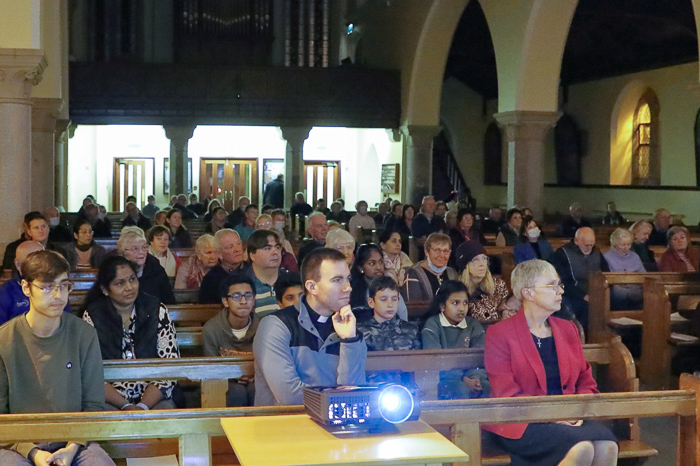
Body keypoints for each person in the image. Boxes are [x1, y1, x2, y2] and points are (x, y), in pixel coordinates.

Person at [484, 259, 618, 466]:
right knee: (582, 448)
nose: (560, 291)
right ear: (528, 293)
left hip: (569, 415)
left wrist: (573, 412)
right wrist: (552, 415)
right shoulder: (499, 333)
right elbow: (506, 393)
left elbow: (587, 382)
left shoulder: (568, 329)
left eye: (560, 285)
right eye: (551, 285)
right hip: (521, 420)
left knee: (608, 446)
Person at [0, 250, 115, 465]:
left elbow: (93, 405)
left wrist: (72, 448)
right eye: (46, 287)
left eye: (63, 286)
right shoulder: (4, 339)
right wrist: (32, 452)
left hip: (76, 441)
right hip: (17, 443)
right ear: (26, 288)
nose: (58, 295)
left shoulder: (84, 334)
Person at [253, 248, 366, 406]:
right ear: (312, 287)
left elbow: (354, 395)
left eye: (348, 279)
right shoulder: (276, 325)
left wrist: (349, 341)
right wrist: (338, 399)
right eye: (337, 280)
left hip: (336, 426)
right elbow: (290, 397)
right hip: (283, 425)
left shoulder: (351, 331)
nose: (348, 287)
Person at [83, 255, 179, 411]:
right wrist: (125, 405)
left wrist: (142, 406)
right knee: (104, 419)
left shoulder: (156, 310)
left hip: (153, 395)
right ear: (105, 290)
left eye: (132, 279)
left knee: (165, 415)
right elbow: (91, 373)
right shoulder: (93, 316)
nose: (129, 287)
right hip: (111, 398)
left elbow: (169, 366)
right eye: (120, 283)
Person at [421, 280, 490, 399]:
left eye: (465, 303)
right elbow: (435, 362)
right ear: (442, 306)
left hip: (471, 376)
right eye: (455, 303)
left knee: (487, 386)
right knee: (459, 389)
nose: (462, 308)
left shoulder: (474, 325)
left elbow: (480, 359)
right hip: (442, 378)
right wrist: (463, 379)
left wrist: (476, 378)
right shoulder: (432, 326)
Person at [202, 271, 259, 406]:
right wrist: (234, 376)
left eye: (248, 295)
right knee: (236, 392)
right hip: (224, 381)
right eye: (236, 296)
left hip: (256, 379)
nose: (243, 301)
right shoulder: (211, 329)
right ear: (225, 301)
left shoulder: (263, 327)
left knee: (256, 390)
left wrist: (254, 376)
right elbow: (212, 367)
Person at [551, 227, 609, 332]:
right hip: (572, 293)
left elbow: (605, 272)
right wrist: (583, 295)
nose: (589, 248)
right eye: (586, 245)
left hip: (595, 291)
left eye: (592, 244)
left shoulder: (596, 252)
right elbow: (562, 281)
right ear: (576, 241)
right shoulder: (562, 254)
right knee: (584, 307)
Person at [0, 242, 71, 326]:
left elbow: (68, 321)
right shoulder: (4, 293)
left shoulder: (59, 289)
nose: (57, 295)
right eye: (46, 287)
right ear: (18, 265)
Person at [457, 241, 514, 325]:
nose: (482, 264)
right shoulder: (458, 291)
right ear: (465, 265)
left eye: (484, 258)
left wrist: (505, 312)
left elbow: (508, 309)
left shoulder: (498, 285)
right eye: (475, 260)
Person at [358, 276, 420, 351]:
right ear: (371, 302)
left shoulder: (411, 330)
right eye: (383, 299)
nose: (390, 305)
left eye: (394, 299)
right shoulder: (360, 332)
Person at [117, 226, 176, 304]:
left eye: (144, 247)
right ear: (124, 252)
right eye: (135, 249)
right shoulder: (114, 270)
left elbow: (169, 302)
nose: (141, 252)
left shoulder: (157, 270)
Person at [350, 244, 409, 322]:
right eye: (372, 263)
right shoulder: (352, 289)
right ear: (361, 267)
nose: (378, 267)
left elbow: (402, 312)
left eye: (381, 262)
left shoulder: (389, 284)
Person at [2, 212, 68, 273]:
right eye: (36, 228)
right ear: (29, 232)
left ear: (49, 228)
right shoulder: (21, 250)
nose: (41, 231)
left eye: (44, 227)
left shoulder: (59, 251)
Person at [403, 233, 458, 302]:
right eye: (437, 250)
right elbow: (414, 307)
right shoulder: (413, 274)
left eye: (446, 251)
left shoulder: (452, 274)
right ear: (426, 252)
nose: (442, 255)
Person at [199, 229, 249, 303]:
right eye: (230, 247)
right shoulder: (211, 279)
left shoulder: (253, 270)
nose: (237, 249)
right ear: (219, 254)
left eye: (239, 244)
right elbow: (207, 309)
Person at [603, 228, 645, 309]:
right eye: (623, 244)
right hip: (617, 289)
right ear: (614, 244)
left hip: (635, 288)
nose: (626, 247)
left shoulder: (635, 256)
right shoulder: (606, 257)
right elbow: (608, 278)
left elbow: (643, 274)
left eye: (629, 244)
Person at [247, 229, 283, 318]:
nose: (275, 252)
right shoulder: (243, 284)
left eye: (277, 247)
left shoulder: (291, 281)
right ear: (252, 255)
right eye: (267, 248)